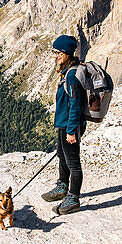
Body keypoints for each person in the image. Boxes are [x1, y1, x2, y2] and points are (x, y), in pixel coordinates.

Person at [42, 34, 85, 215]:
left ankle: (73, 198)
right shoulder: (66, 71)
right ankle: (62, 186)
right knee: (61, 154)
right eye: (54, 52)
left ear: (67, 52)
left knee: (73, 162)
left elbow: (75, 104)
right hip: (64, 124)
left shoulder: (73, 75)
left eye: (58, 52)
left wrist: (71, 130)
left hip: (70, 126)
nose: (55, 56)